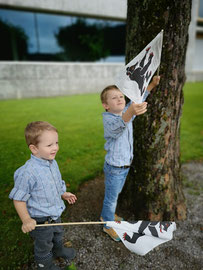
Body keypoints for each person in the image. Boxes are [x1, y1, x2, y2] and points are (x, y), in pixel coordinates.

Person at [9, 121, 77, 270]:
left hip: (55, 212)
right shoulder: (27, 173)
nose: (55, 148)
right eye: (49, 145)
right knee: (44, 243)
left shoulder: (52, 162)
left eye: (56, 143)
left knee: (58, 234)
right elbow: (18, 199)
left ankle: (58, 249)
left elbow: (55, 183)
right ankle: (44, 264)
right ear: (34, 149)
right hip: (41, 219)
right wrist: (26, 219)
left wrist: (63, 193)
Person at [100, 76, 160, 241]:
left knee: (116, 195)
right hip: (115, 167)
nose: (120, 99)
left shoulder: (126, 112)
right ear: (106, 105)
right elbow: (119, 127)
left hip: (124, 166)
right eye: (114, 97)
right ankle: (106, 223)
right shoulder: (109, 120)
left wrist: (152, 85)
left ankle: (110, 215)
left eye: (121, 96)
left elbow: (137, 100)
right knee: (111, 198)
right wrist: (130, 112)